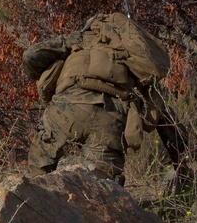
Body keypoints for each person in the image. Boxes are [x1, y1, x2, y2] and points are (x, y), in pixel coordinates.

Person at [21, 12, 185, 184]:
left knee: (37, 179)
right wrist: (184, 165)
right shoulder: (136, 60)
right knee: (102, 190)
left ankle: (34, 207)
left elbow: (31, 55)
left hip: (66, 108)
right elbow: (166, 119)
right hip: (110, 120)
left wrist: (40, 78)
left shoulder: (79, 39)